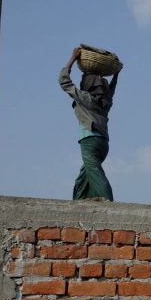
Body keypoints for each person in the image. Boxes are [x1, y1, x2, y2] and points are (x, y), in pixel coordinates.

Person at [60, 46, 119, 201]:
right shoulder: (105, 104)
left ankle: (108, 203)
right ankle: (78, 202)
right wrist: (116, 75)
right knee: (83, 178)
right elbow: (111, 91)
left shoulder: (85, 98)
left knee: (96, 174)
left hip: (89, 140)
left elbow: (64, 82)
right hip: (103, 144)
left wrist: (72, 58)